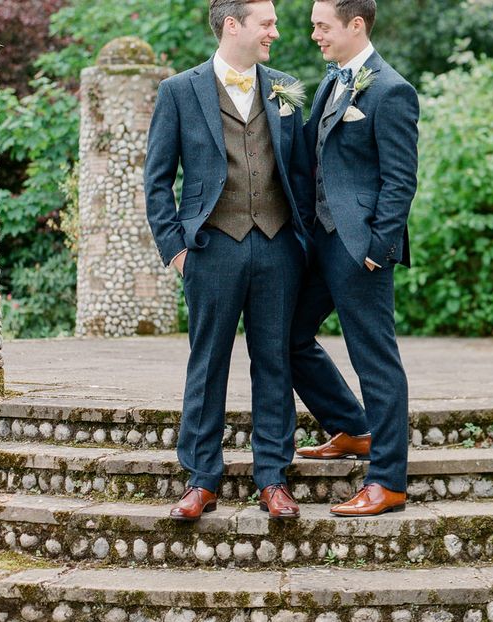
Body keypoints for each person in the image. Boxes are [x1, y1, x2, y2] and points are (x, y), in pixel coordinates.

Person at [144, 0, 314, 521]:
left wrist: (301, 242)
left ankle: (272, 478)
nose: (276, 32)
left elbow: (303, 175)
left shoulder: (284, 88)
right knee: (208, 361)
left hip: (277, 245)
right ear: (233, 25)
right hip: (211, 247)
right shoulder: (178, 90)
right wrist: (176, 250)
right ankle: (201, 478)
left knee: (274, 362)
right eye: (268, 23)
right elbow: (157, 181)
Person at [291, 0, 419, 516]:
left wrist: (377, 250)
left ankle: (388, 481)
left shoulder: (391, 90)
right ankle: (351, 425)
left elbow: (401, 179)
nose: (315, 34)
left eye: (323, 26)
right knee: (287, 336)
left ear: (356, 25)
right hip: (319, 243)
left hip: (359, 247)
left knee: (375, 360)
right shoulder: (331, 81)